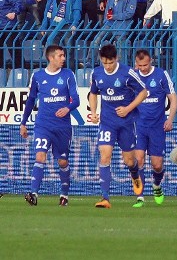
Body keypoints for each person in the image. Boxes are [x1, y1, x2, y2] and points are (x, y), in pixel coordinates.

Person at [90, 43, 148, 208]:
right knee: (104, 156)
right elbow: (93, 94)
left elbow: (143, 92)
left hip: (126, 123)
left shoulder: (127, 73)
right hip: (107, 122)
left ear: (116, 59)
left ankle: (135, 174)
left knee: (129, 160)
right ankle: (105, 198)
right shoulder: (97, 73)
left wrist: (128, 108)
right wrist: (94, 112)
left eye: (110, 62)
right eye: (104, 63)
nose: (107, 66)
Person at [20, 45, 79, 207]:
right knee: (40, 156)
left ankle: (64, 195)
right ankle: (33, 194)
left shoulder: (68, 75)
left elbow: (76, 100)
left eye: (64, 55)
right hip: (43, 125)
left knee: (62, 162)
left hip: (62, 127)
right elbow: (31, 100)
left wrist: (67, 108)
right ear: (51, 58)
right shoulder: (38, 76)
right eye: (60, 56)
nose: (63, 58)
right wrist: (23, 122)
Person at [132, 49, 177, 207]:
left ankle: (157, 186)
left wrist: (170, 119)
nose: (143, 68)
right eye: (140, 65)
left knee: (157, 164)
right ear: (136, 63)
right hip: (138, 125)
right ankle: (140, 196)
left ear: (151, 60)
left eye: (145, 65)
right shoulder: (133, 76)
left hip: (157, 126)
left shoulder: (161, 75)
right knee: (138, 161)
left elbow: (173, 98)